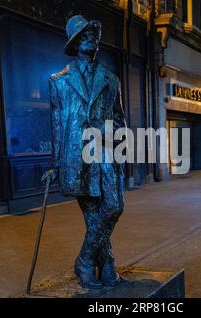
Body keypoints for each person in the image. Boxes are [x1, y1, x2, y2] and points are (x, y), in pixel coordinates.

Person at [42, 15, 126, 289]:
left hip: (106, 153)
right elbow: (56, 124)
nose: (92, 37)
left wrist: (122, 153)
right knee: (93, 213)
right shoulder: (59, 81)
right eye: (86, 34)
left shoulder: (111, 79)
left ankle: (85, 260)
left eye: (94, 34)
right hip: (77, 156)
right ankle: (108, 265)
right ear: (75, 42)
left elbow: (119, 119)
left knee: (114, 206)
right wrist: (56, 162)